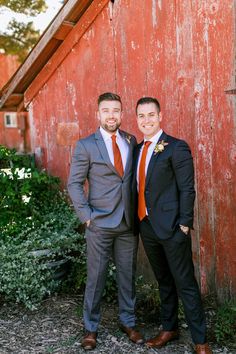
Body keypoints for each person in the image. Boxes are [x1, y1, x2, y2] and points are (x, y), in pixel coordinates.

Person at [134, 96, 212, 354]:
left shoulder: (176, 147)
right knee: (163, 280)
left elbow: (187, 189)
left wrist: (185, 225)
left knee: (185, 282)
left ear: (160, 116)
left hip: (173, 228)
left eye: (151, 115)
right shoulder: (137, 149)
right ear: (137, 119)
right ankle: (170, 328)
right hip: (147, 226)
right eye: (141, 116)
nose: (146, 120)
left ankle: (200, 341)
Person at [67, 92, 144, 350]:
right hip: (99, 223)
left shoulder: (131, 141)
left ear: (122, 114)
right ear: (98, 114)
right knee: (96, 277)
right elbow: (74, 184)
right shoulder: (86, 145)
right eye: (106, 110)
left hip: (127, 223)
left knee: (127, 275)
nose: (111, 115)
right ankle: (91, 328)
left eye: (116, 110)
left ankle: (128, 321)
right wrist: (86, 217)